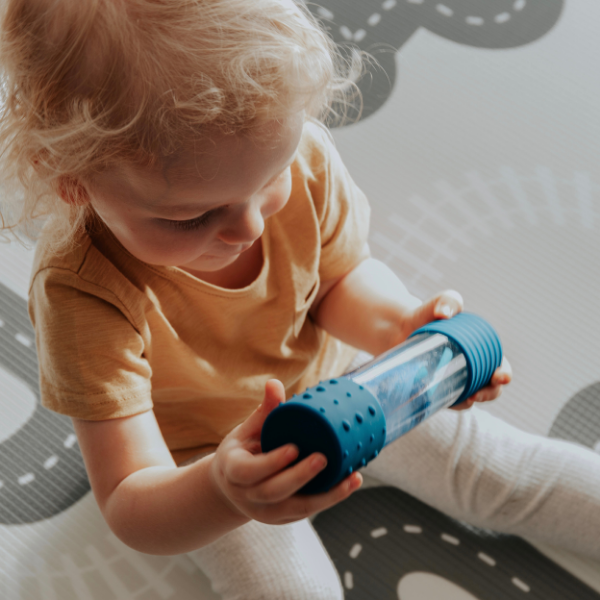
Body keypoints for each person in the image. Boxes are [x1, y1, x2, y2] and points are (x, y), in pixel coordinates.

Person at [0, 1, 598, 599]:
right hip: (209, 457)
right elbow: (131, 499)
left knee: (504, 472)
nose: (248, 229)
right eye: (191, 217)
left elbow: (338, 282)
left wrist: (404, 331)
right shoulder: (82, 293)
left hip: (348, 380)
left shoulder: (300, 156)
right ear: (70, 176)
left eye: (269, 182)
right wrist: (223, 491)